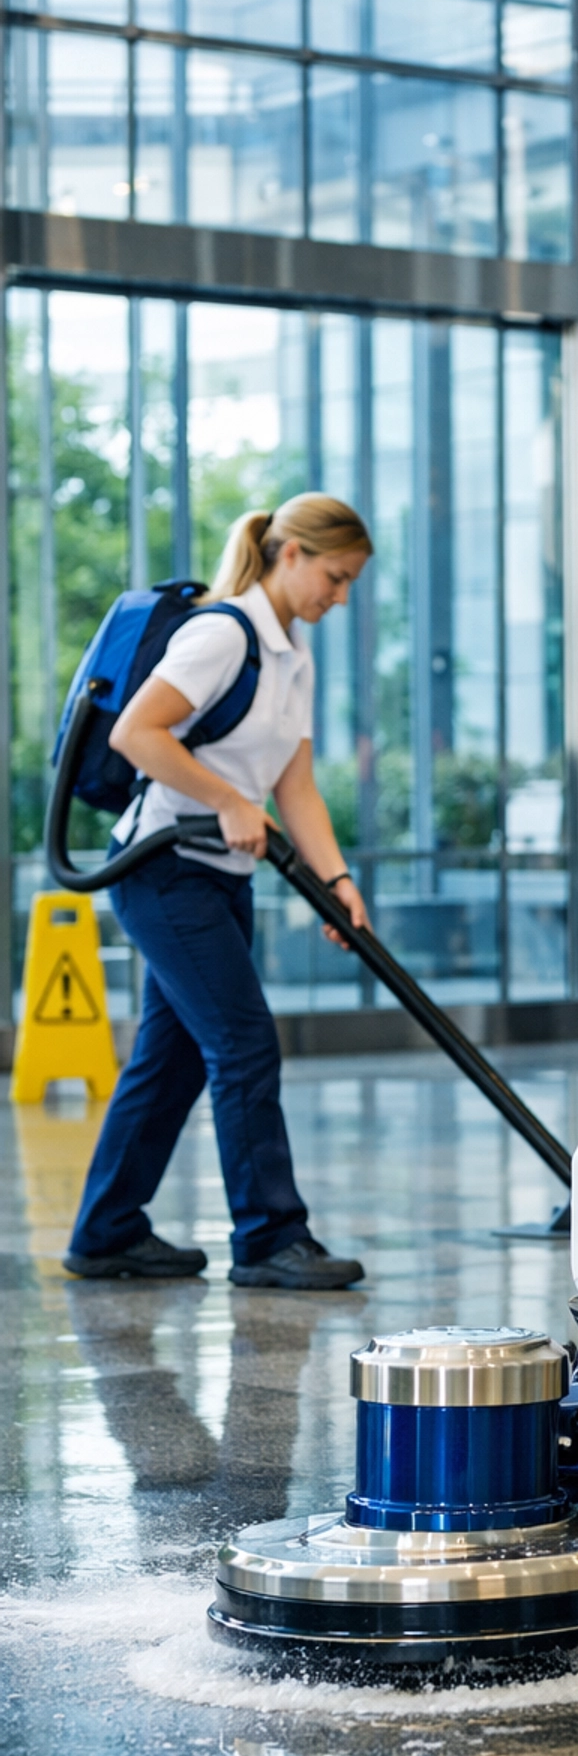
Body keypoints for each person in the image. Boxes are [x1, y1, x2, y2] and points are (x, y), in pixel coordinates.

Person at [65, 495, 374, 1290]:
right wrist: (230, 801)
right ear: (292, 554)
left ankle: (107, 1232)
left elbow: (295, 786)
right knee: (243, 1042)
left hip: (220, 877)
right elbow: (137, 732)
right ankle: (270, 1238)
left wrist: (337, 882)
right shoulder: (221, 634)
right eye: (335, 578)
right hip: (163, 869)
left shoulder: (291, 656)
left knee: (171, 1060)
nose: (339, 598)